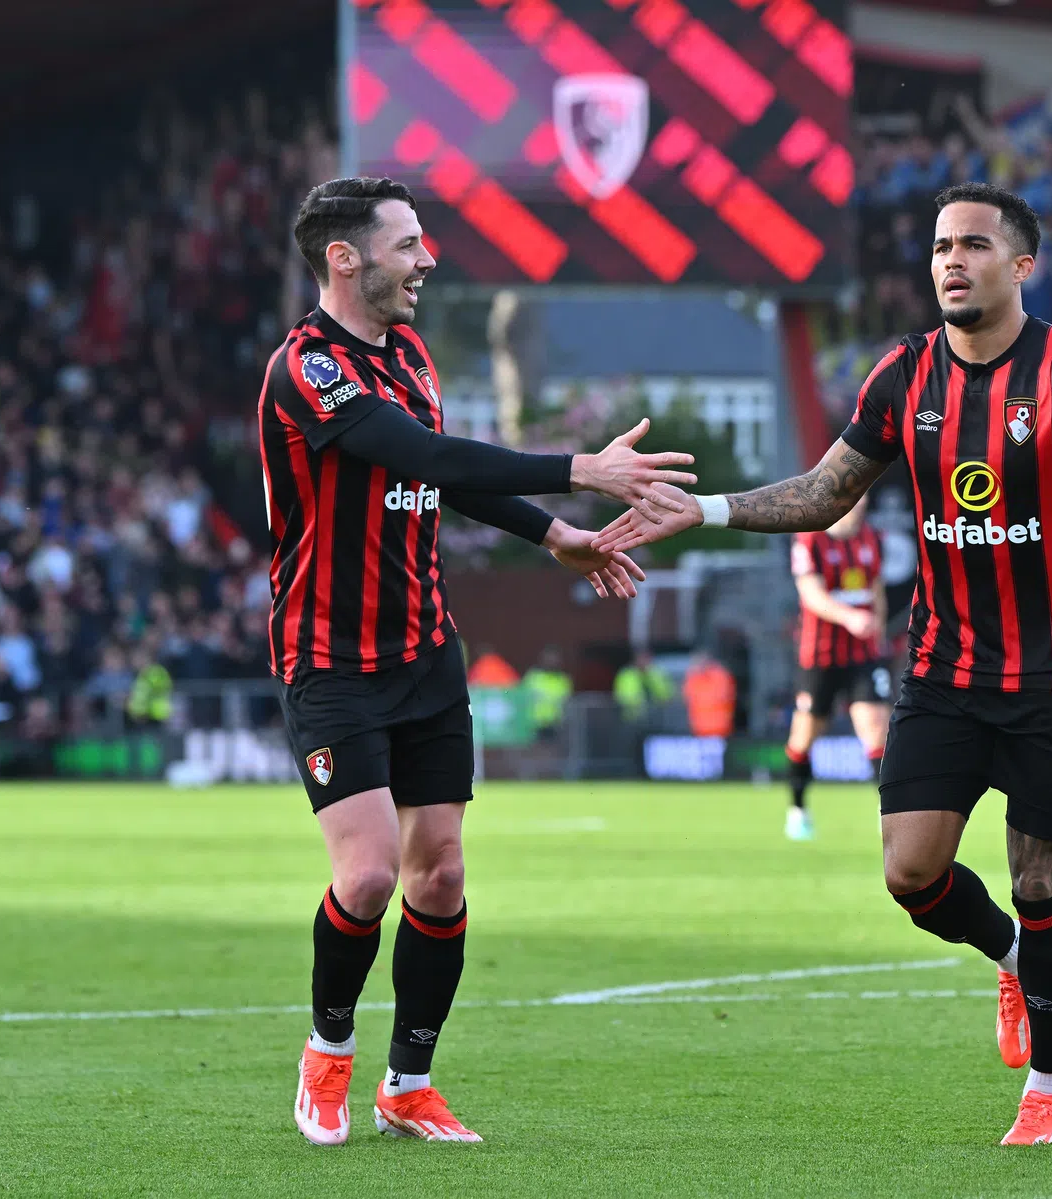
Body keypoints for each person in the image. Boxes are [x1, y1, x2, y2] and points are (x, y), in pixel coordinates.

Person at [596, 181, 1052, 1145]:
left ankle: (1049, 1084)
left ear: (1021, 265)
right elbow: (826, 491)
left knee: (1041, 880)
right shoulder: (901, 375)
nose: (952, 260)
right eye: (943, 246)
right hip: (944, 668)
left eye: (974, 245)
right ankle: (1010, 959)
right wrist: (702, 509)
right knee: (910, 874)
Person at [266, 177, 689, 1146]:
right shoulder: (309, 369)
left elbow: (437, 468)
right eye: (408, 244)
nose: (427, 259)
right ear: (345, 258)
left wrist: (553, 533)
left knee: (441, 875)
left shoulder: (409, 353)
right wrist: (580, 470)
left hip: (425, 652)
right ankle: (328, 1051)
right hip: (330, 657)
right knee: (367, 878)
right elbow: (424, 454)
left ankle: (408, 1083)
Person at [784, 494, 890, 841]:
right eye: (853, 498)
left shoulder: (874, 538)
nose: (859, 505)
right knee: (804, 735)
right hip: (819, 657)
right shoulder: (810, 540)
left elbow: (876, 590)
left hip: (863, 655)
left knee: (877, 729)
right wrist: (850, 618)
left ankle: (887, 813)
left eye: (863, 499)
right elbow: (811, 595)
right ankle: (798, 809)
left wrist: (878, 629)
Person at [683, 650, 737, 738]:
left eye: (699, 662)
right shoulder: (693, 678)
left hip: (720, 729)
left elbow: (722, 696)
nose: (697, 665)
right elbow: (689, 697)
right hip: (699, 729)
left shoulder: (720, 676)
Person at [614, 648, 675, 725]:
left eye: (646, 658)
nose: (644, 661)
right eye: (642, 658)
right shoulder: (626, 675)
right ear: (636, 660)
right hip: (633, 718)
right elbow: (621, 697)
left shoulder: (656, 673)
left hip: (656, 717)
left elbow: (668, 693)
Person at [521, 645, 573, 731]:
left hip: (556, 725)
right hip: (534, 725)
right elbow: (521, 700)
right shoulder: (532, 677)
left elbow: (567, 702)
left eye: (554, 658)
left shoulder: (563, 680)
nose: (552, 661)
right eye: (549, 658)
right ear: (542, 659)